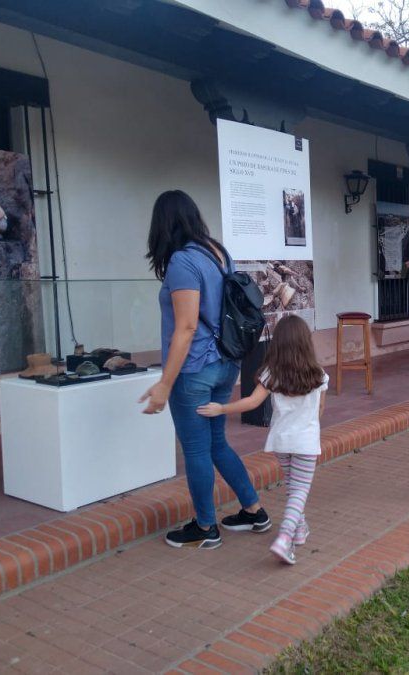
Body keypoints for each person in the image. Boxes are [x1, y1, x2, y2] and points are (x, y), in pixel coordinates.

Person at [140, 190, 269, 550]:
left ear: (162, 225)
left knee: (196, 449)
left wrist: (165, 383)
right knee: (215, 443)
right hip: (226, 364)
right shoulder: (218, 252)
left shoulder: (183, 262)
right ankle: (253, 511)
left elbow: (186, 327)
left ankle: (205, 526)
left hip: (194, 369)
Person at [198, 315, 327, 565]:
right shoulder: (319, 375)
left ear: (277, 344)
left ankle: (299, 531)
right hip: (305, 442)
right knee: (299, 492)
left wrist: (221, 409)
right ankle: (284, 538)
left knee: (292, 488)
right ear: (306, 343)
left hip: (281, 441)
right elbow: (320, 410)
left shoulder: (272, 373)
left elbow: (252, 402)